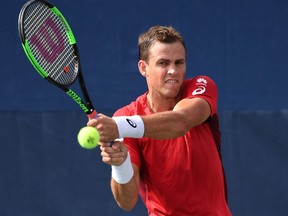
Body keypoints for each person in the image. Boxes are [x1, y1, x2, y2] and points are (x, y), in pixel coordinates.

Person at [87, 26, 232, 216]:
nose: (173, 70)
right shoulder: (126, 115)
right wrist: (120, 164)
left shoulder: (201, 86)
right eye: (163, 63)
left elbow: (181, 121)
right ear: (143, 68)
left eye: (179, 63)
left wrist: (119, 127)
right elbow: (127, 201)